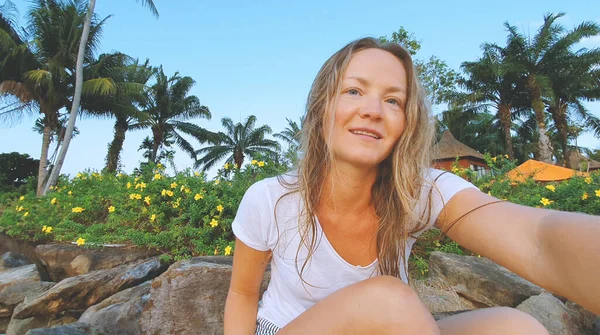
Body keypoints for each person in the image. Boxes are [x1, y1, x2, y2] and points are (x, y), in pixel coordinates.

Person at [223, 37, 600, 335]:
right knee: (388, 301)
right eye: (354, 91)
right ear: (322, 106)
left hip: (380, 327)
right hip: (288, 328)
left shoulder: (416, 192)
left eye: (392, 100)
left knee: (512, 327)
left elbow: (536, 239)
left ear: (406, 122)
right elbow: (242, 294)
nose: (372, 110)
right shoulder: (271, 198)